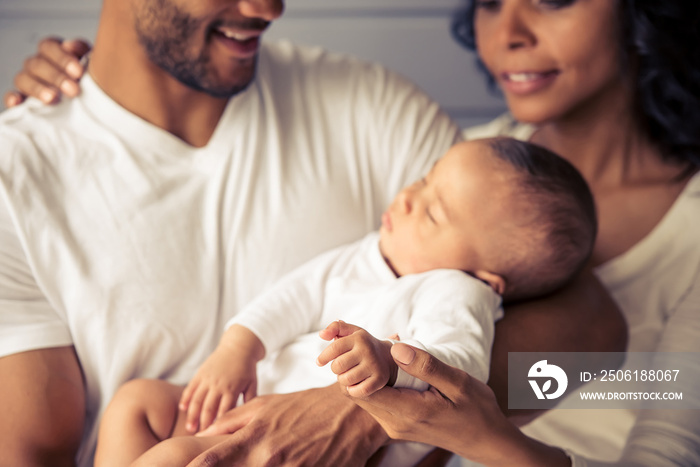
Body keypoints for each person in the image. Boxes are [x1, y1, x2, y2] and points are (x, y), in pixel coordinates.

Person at [0, 1, 624, 466]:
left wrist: (363, 413)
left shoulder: (373, 108)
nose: (268, 9)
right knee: (138, 408)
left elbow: (599, 337)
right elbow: (30, 450)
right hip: (192, 418)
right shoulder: (16, 171)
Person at [326, 0, 700, 466]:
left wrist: (483, 435)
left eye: (552, 1)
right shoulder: (456, 159)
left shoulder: (690, 229)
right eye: (489, 3)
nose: (508, 33)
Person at [93, 136, 597, 466]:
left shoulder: (460, 291)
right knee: (136, 402)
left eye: (433, 214)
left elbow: (459, 367)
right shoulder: (366, 254)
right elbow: (293, 295)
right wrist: (238, 349)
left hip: (315, 452)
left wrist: (389, 364)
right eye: (422, 181)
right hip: (253, 401)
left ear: (487, 275)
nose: (405, 198)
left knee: (177, 457)